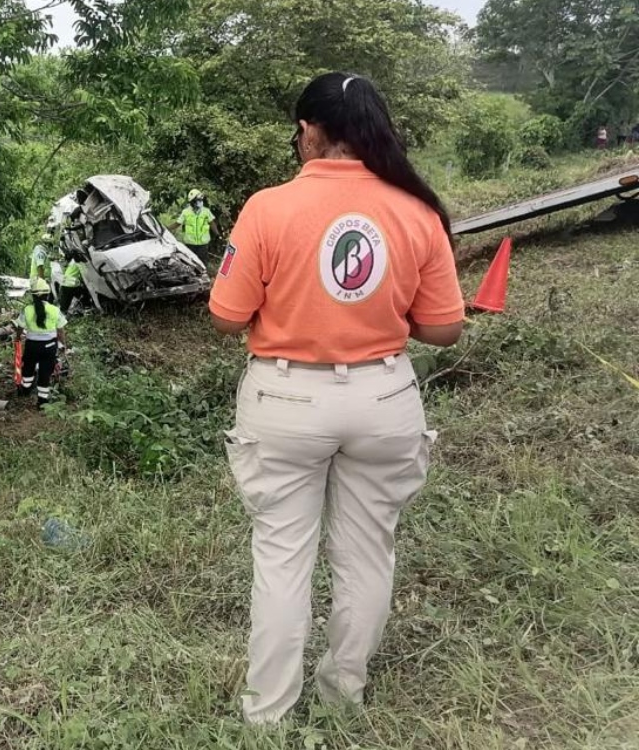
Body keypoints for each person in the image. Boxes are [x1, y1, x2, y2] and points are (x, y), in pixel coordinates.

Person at [209, 72, 464, 725]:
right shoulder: (417, 210)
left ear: (309, 131)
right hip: (384, 397)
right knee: (368, 554)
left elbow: (227, 317)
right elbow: (444, 328)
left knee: (282, 557)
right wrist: (380, 317)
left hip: (286, 399)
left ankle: (267, 713)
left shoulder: (267, 208)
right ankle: (342, 698)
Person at [14, 278, 68, 407]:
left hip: (32, 346)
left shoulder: (27, 310)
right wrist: (63, 345)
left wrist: (17, 339)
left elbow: (20, 327)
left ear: (33, 295)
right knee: (45, 373)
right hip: (49, 346)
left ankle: (25, 390)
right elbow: (60, 331)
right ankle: (42, 401)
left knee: (28, 369)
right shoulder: (55, 310)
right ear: (47, 295)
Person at [172, 188, 220, 264]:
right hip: (190, 245)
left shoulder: (206, 211)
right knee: (190, 264)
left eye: (201, 200)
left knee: (202, 264)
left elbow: (212, 223)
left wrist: (217, 234)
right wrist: (166, 229)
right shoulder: (186, 212)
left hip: (203, 245)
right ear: (192, 202)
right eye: (198, 200)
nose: (201, 202)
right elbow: (177, 223)